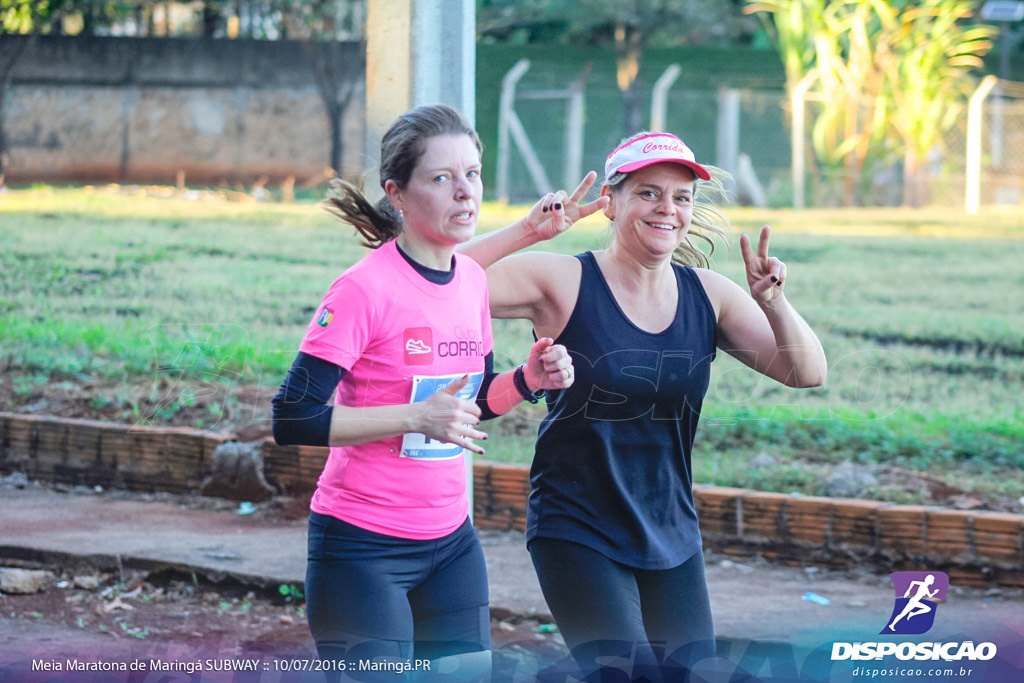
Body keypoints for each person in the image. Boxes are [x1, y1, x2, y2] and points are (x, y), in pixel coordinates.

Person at [460, 131, 828, 680]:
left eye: (681, 198)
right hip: (578, 525)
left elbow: (807, 372)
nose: (668, 210)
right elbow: (434, 284)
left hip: (670, 530)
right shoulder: (563, 280)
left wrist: (774, 303)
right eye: (649, 193)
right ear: (611, 201)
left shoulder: (709, 293)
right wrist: (526, 232)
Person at [270, 104, 581, 682]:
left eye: (473, 174)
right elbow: (292, 417)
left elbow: (473, 399)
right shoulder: (365, 289)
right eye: (441, 178)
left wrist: (527, 381)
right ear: (399, 194)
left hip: (452, 546)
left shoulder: (470, 282)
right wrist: (414, 417)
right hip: (361, 550)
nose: (465, 193)